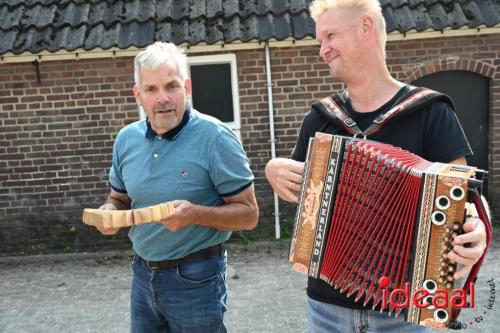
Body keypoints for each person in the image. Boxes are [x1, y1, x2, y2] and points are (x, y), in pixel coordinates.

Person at [265, 1, 488, 332]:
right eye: (319, 41)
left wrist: (478, 228)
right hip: (327, 307)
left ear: (366, 28)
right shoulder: (320, 118)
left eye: (330, 36)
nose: (323, 50)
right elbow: (297, 190)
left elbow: (468, 198)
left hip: (406, 310)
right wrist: (273, 169)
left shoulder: (431, 112)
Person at [94, 42, 259, 333]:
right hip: (142, 274)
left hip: (197, 277)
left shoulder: (216, 138)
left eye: (171, 86)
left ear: (187, 87)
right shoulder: (125, 140)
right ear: (138, 95)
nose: (163, 99)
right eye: (152, 89)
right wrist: (110, 211)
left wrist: (194, 214)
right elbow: (119, 196)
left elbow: (249, 215)